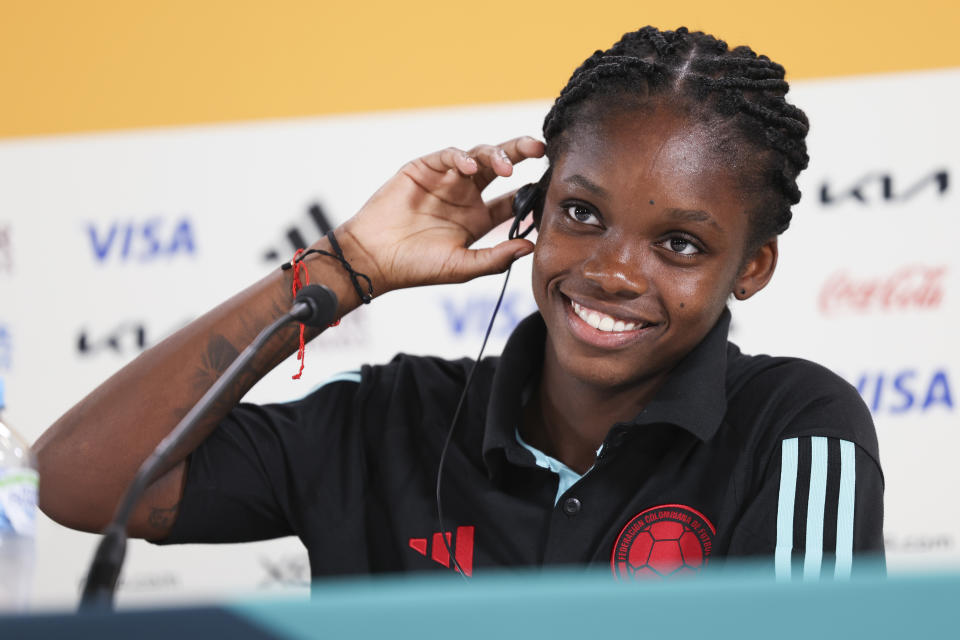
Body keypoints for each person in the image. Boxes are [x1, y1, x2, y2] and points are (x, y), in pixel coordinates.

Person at [35, 26, 883, 581]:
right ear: (532, 211)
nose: (615, 272)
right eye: (581, 213)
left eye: (680, 244)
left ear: (752, 267)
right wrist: (345, 266)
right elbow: (76, 482)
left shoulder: (796, 426)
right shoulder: (389, 421)